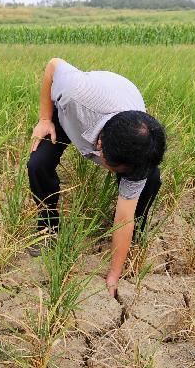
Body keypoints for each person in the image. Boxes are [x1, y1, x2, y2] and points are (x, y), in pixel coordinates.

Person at [27, 58, 166, 298]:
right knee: (38, 164)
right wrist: (44, 119)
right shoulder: (74, 91)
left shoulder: (139, 149)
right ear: (99, 148)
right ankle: (48, 226)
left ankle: (136, 235)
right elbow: (52, 65)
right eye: (116, 169)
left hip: (120, 114)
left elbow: (124, 217)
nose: (121, 175)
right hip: (74, 115)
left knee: (150, 180)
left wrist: (114, 274)